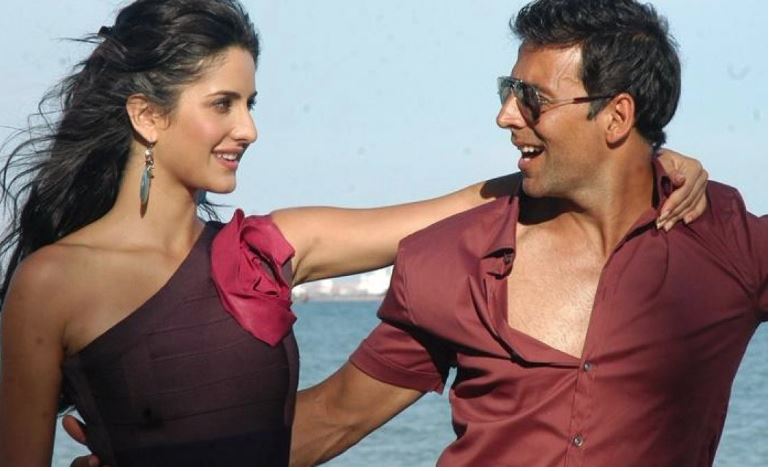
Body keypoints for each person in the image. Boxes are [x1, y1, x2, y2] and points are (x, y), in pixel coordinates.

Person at [0, 0, 706, 467]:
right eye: (223, 104)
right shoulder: (50, 285)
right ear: (147, 116)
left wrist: (646, 159)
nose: (249, 128)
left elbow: (468, 203)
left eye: (250, 102)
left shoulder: (268, 249)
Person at [286, 0, 767, 467]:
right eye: (508, 90)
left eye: (533, 99)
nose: (507, 116)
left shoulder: (725, 241)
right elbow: (334, 418)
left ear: (617, 116)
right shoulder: (456, 259)